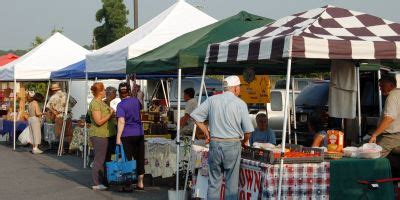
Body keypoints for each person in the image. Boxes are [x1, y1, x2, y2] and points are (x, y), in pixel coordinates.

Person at [191, 75, 254, 200]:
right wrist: (244, 141)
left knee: (214, 183)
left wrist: (206, 132)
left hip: (215, 143)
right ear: (235, 88)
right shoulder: (240, 103)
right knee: (231, 185)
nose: (239, 90)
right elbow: (248, 131)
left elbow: (195, 116)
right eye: (239, 87)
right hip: (233, 144)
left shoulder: (212, 100)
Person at [115, 82, 145, 191]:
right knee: (139, 157)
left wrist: (118, 137)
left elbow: (121, 121)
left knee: (127, 158)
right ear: (128, 91)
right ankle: (140, 182)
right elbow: (141, 105)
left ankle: (128, 184)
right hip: (139, 133)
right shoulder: (136, 101)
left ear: (119, 93)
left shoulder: (121, 105)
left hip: (127, 134)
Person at [88, 82, 116, 190]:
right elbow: (98, 121)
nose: (105, 92)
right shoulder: (95, 103)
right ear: (100, 92)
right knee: (99, 159)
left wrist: (112, 114)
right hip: (99, 135)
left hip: (106, 134)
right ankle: (96, 183)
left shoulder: (101, 102)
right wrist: (110, 115)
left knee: (105, 159)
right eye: (104, 90)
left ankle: (104, 181)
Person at [369, 76, 400, 157]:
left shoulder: (392, 96)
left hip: (392, 136)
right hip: (393, 135)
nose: (380, 88)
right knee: (363, 145)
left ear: (391, 85)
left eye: (382, 86)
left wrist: (375, 134)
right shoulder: (398, 93)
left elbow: (389, 118)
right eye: (380, 86)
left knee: (371, 154)